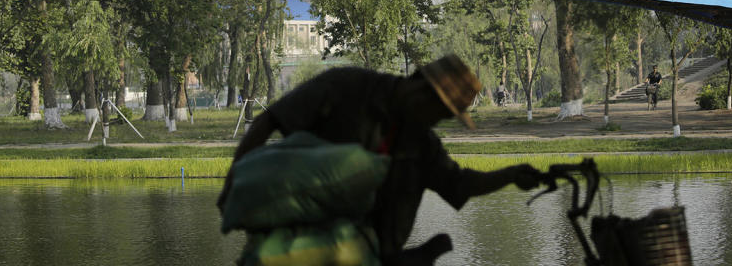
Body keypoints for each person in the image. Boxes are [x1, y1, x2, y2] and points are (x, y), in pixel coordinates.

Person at [218, 55, 545, 265]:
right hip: (309, 239)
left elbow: (458, 183)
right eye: (439, 113)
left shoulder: (421, 141)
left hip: (376, 253)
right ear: (421, 89)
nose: (436, 122)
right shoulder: (346, 87)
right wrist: (234, 179)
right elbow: (270, 120)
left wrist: (511, 175)